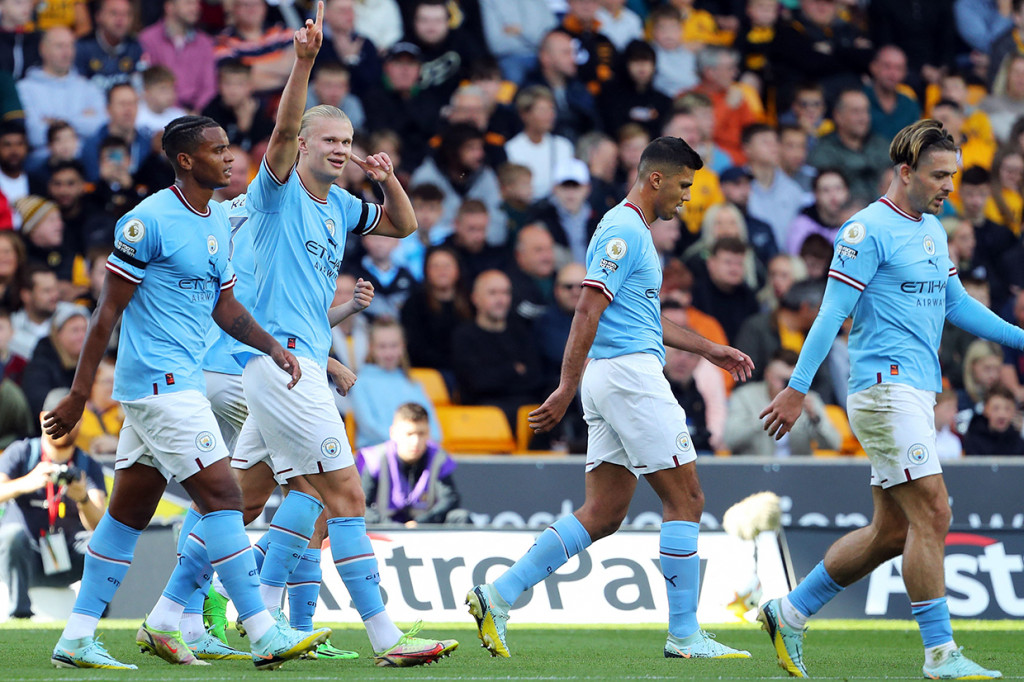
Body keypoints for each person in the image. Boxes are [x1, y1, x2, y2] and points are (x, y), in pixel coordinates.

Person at [212, 4, 457, 667]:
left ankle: (193, 611)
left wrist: (388, 178)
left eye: (348, 140)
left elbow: (404, 228)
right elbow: (286, 126)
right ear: (304, 146)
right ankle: (386, 638)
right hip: (286, 365)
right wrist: (303, 61)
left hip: (294, 367)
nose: (341, 148)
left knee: (262, 497)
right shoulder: (278, 190)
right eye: (330, 140)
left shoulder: (343, 205)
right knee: (344, 494)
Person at [41, 111, 324, 670]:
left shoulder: (216, 221)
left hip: (176, 385)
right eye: (218, 150)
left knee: (126, 515)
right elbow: (105, 317)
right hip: (161, 386)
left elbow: (224, 308)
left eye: (229, 147)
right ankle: (263, 630)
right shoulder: (147, 222)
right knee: (224, 498)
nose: (230, 157)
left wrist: (272, 347)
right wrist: (77, 395)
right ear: (187, 159)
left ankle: (76, 635)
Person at [468, 136, 755, 660]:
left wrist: (709, 347)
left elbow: (643, 317)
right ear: (655, 179)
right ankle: (685, 635)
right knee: (686, 499)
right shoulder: (624, 229)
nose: (687, 197)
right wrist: (564, 386)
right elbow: (585, 310)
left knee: (602, 512)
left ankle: (498, 595)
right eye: (684, 186)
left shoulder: (635, 232)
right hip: (628, 378)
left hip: (615, 374)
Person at [759, 119, 1022, 679]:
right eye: (939, 175)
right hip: (883, 389)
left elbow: (956, 306)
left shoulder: (932, 229)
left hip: (916, 392)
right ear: (905, 172)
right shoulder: (864, 230)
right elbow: (832, 313)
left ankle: (789, 611)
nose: (948, 185)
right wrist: (797, 390)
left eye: (952, 174)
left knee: (892, 533)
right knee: (935, 510)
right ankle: (941, 655)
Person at [0, 389, 106, 620]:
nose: (64, 424)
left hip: (66, 557)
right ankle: (19, 617)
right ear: (42, 418)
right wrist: (26, 483)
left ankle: (93, 619)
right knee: (12, 536)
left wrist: (83, 498)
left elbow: (99, 525)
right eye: (57, 417)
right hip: (23, 557)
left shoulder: (87, 464)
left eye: (72, 418)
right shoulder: (22, 452)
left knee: (102, 546)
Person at [356, 402, 466, 526]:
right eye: (409, 434)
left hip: (423, 526)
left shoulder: (438, 458)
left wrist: (420, 523)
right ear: (393, 433)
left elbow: (450, 500)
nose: (415, 441)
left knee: (460, 517)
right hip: (385, 529)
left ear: (428, 433)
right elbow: (361, 507)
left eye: (421, 434)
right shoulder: (375, 459)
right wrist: (393, 527)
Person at [723, 349, 838, 456]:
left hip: (796, 472)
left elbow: (834, 444)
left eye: (791, 381)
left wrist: (815, 418)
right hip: (755, 471)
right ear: (767, 374)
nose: (785, 387)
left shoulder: (808, 399)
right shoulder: (745, 397)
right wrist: (766, 418)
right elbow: (729, 440)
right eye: (781, 380)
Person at [350, 318, 441, 448]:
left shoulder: (413, 383)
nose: (388, 353)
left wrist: (426, 444)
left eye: (394, 345)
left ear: (402, 346)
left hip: (414, 452)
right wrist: (404, 443)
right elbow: (368, 427)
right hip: (376, 454)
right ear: (371, 347)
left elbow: (432, 426)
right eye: (382, 346)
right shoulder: (360, 382)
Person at [963, 384, 1024, 456]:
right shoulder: (973, 439)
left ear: (1014, 411)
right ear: (985, 409)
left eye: (1007, 409)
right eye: (996, 408)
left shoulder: (1019, 440)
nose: (1002, 415)